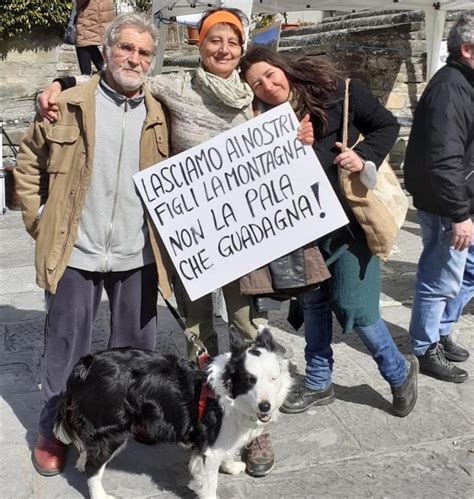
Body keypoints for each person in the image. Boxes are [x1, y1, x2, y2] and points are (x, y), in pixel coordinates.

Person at [37, 7, 325, 478]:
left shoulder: (258, 100)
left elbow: (290, 137)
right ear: (199, 43)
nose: (224, 49)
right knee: (199, 334)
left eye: (233, 42)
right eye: (215, 40)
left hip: (244, 241)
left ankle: (256, 426)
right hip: (192, 241)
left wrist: (302, 136)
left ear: (242, 48)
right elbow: (118, 77)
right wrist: (57, 82)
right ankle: (206, 418)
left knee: (247, 329)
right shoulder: (173, 87)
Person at [15, 13, 173, 477]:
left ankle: (129, 415)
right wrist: (39, 219)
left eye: (144, 52)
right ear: (104, 51)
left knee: (134, 350)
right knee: (66, 346)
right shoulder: (67, 102)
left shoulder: (161, 111)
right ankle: (54, 429)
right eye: (126, 48)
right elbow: (27, 162)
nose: (134, 58)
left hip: (136, 253)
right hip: (75, 251)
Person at [240, 46, 418, 418]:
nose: (268, 86)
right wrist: (291, 143)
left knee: (356, 305)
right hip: (304, 231)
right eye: (257, 84)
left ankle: (399, 372)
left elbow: (387, 124)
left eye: (270, 75)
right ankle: (320, 382)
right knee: (314, 304)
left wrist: (363, 155)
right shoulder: (260, 122)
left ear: (282, 67)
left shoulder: (340, 91)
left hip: (351, 224)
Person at [403, 13, 473, 383]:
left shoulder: (465, 81)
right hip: (449, 202)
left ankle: (441, 330)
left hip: (462, 198)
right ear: (467, 49)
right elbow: (445, 159)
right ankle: (424, 345)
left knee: (466, 272)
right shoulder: (451, 88)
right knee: (439, 275)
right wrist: (460, 212)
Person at [75, 0, 115, 75]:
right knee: (90, 46)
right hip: (101, 18)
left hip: (89, 20)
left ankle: (86, 80)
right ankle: (107, 76)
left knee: (83, 45)